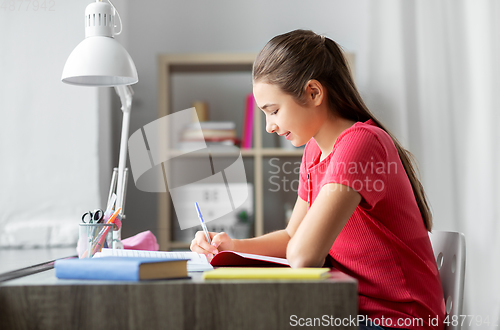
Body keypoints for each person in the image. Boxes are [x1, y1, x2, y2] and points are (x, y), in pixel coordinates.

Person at [190, 29, 445, 330]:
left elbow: (303, 255)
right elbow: (291, 238)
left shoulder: (360, 143)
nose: (269, 126)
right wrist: (232, 247)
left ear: (313, 92)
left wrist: (285, 249)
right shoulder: (314, 151)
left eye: (273, 111)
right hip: (351, 310)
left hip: (399, 321)